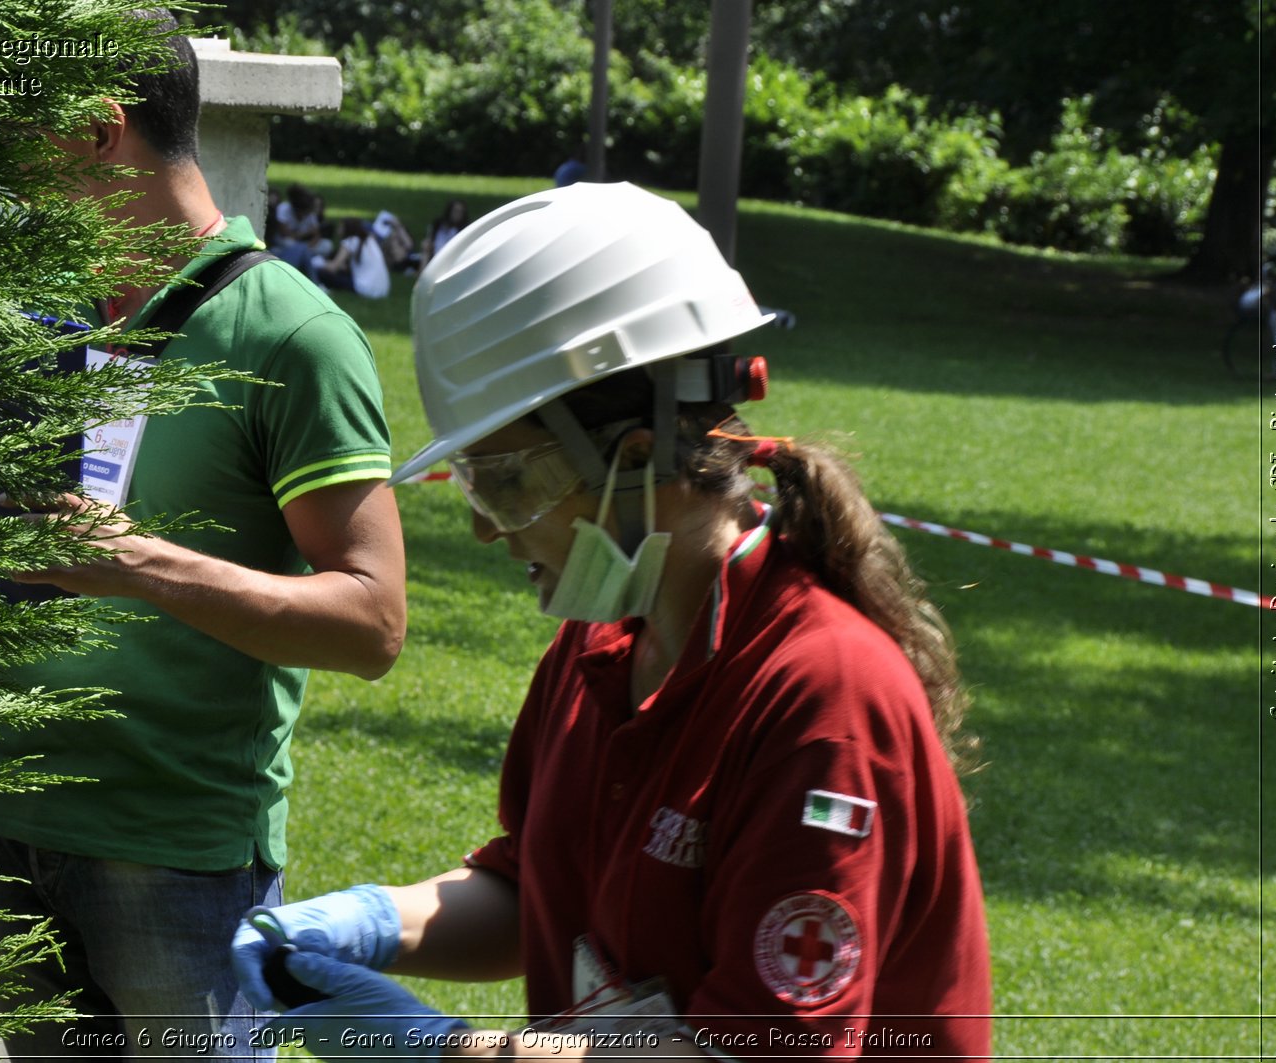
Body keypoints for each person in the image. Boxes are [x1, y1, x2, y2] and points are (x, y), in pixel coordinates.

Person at [232, 182, 991, 1060]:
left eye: (505, 481)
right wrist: (370, 922)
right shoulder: (600, 646)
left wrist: (448, 1053)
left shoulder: (826, 697)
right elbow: (542, 891)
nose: (483, 525)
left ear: (633, 460)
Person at [0, 11, 406, 1061]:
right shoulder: (32, 318)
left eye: (10, 133)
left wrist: (143, 565)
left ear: (95, 127)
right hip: (8, 826)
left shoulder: (293, 333)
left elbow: (373, 621)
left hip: (178, 867)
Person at [311, 217, 391, 299]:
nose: (338, 229)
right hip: (383, 290)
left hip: (366, 289)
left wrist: (318, 262)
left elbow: (333, 268)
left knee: (321, 273)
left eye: (340, 227)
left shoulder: (350, 241)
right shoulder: (369, 239)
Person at [420, 198, 469, 268]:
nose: (458, 215)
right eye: (456, 211)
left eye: (461, 212)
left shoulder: (463, 230)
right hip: (434, 257)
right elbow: (430, 240)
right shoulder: (438, 225)